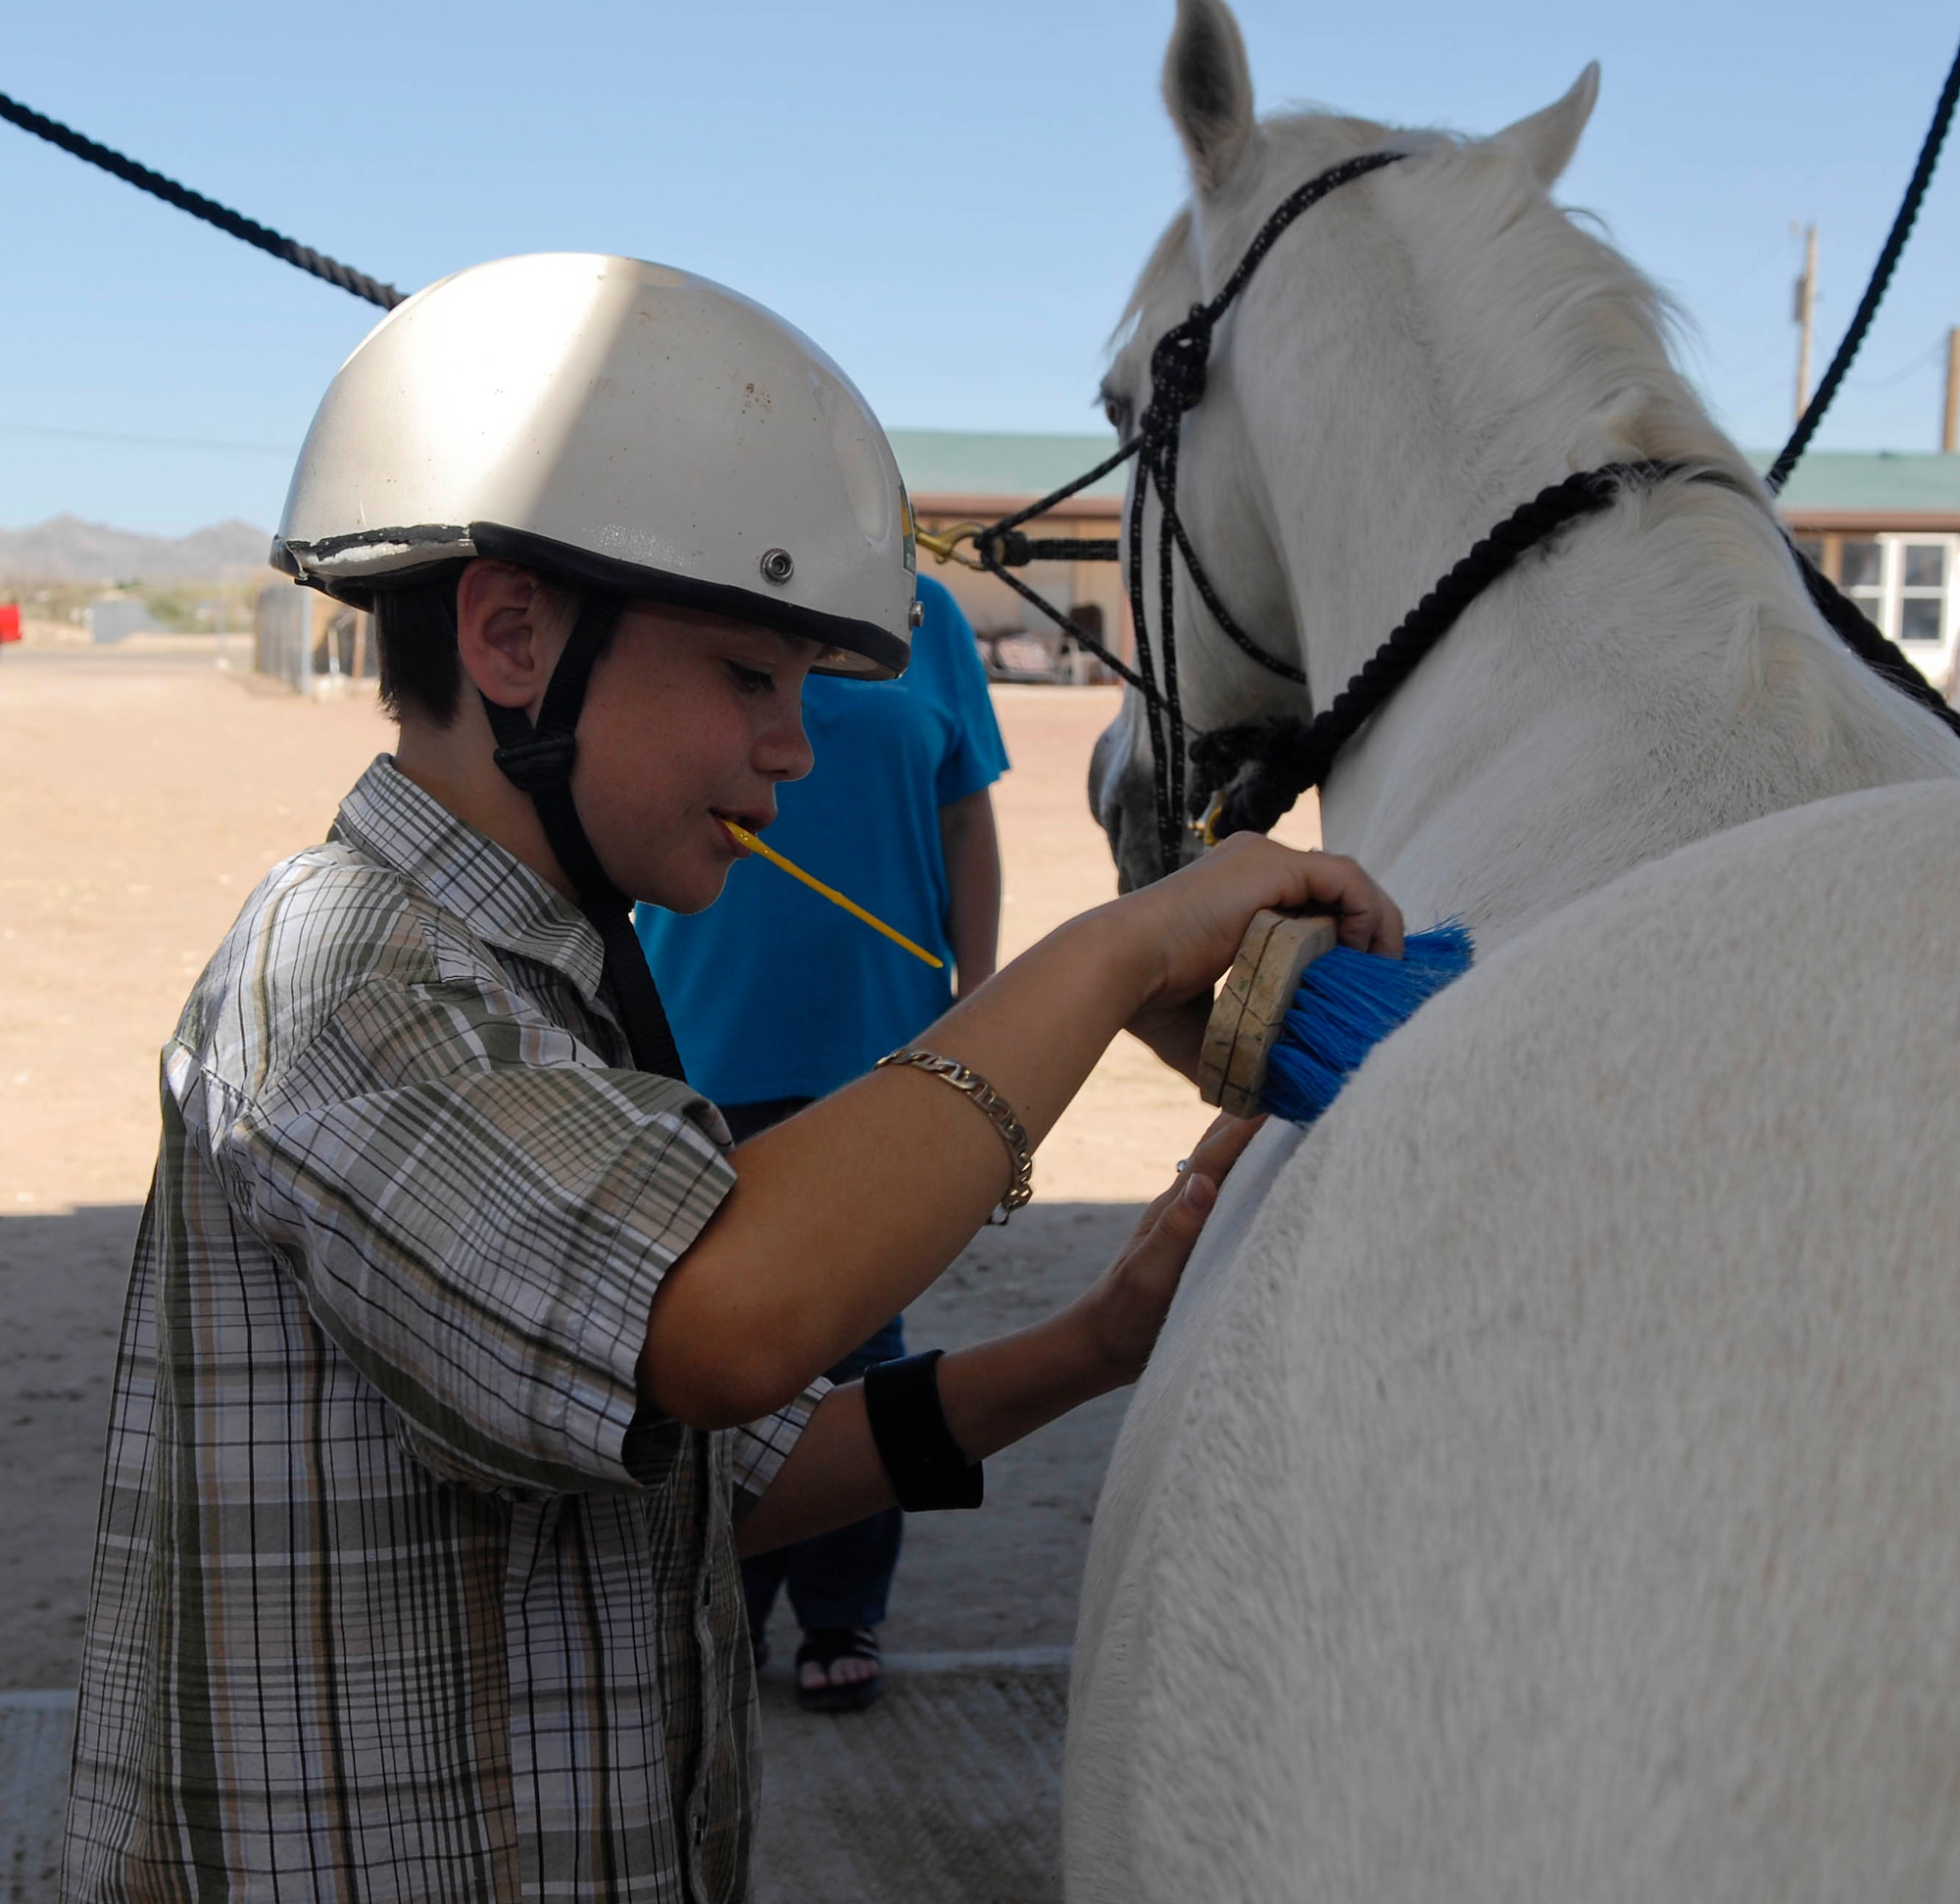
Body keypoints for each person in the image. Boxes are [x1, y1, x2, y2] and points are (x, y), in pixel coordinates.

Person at [62, 253, 1402, 1904]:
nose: (795, 746)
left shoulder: (544, 987)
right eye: (749, 678)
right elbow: (718, 1326)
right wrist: (1115, 949)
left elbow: (735, 1469)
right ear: (508, 634)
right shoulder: (343, 979)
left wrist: (1096, 1341)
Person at [637, 569, 1007, 1711]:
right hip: (705, 1021)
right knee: (727, 1332)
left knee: (861, 1330)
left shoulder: (928, 617)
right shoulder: (690, 588)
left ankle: (842, 1606)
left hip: (886, 1026)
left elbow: (963, 811)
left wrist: (983, 992)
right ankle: (727, 1598)